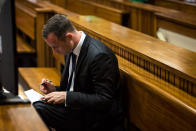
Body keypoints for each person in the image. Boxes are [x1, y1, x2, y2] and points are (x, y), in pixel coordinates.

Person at [33, 14, 124, 131]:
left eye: (55, 47)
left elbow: (105, 100)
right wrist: (54, 90)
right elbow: (73, 88)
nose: (54, 52)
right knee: (34, 106)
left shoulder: (99, 56)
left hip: (94, 119)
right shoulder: (70, 48)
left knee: (38, 109)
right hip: (77, 110)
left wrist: (66, 97)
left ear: (69, 37)